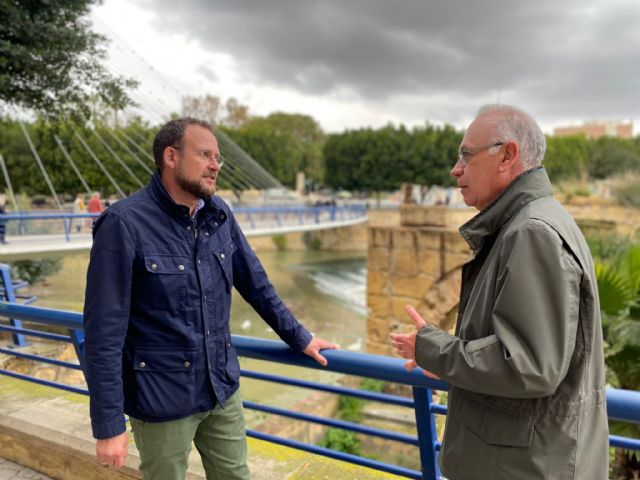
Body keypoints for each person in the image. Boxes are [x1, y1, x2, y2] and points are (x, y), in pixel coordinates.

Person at [83, 117, 338, 479]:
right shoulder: (124, 224)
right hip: (161, 398)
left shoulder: (218, 214)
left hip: (221, 390)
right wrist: (108, 424)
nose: (216, 165)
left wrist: (301, 337)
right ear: (170, 157)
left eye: (217, 157)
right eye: (205, 154)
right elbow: (103, 333)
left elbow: (257, 285)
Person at [390, 105, 608, 480]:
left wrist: (431, 348)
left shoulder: (532, 232)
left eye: (466, 155)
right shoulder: (531, 222)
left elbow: (528, 365)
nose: (456, 169)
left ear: (507, 155)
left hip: (521, 467)